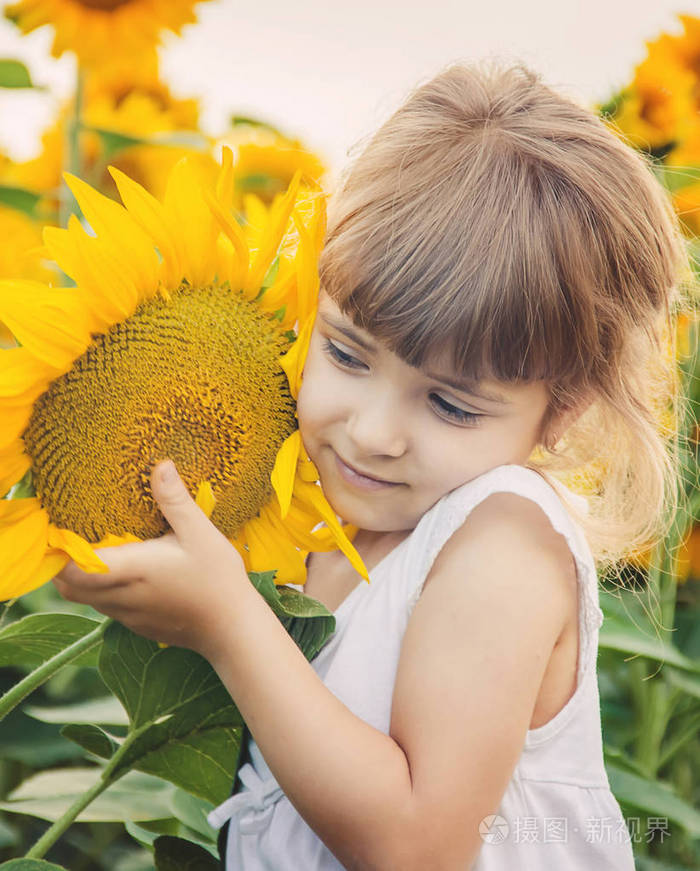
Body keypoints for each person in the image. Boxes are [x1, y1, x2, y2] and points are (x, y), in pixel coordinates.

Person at [53, 59, 692, 870]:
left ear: (561, 410)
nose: (373, 432)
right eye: (348, 353)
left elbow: (417, 846)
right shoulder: (321, 505)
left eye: (451, 405)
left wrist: (226, 621)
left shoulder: (502, 544)